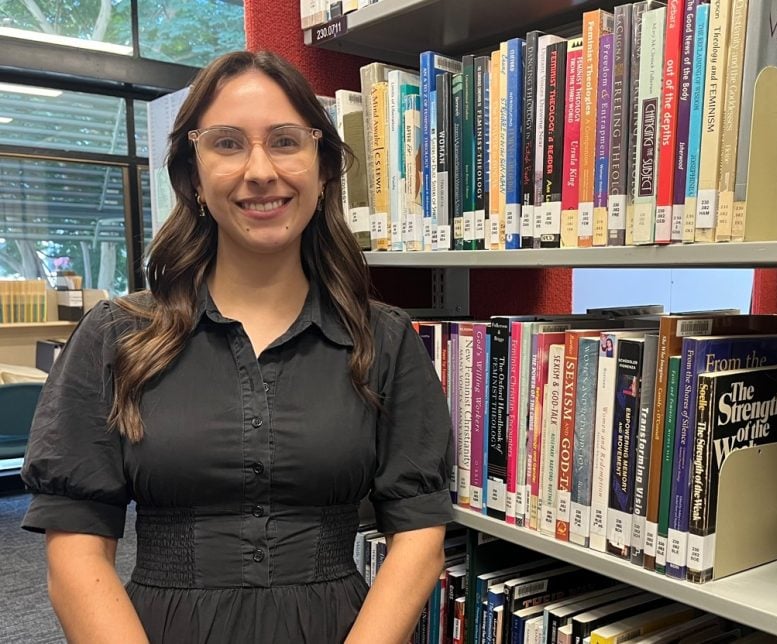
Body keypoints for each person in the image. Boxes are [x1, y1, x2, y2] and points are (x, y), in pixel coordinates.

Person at [20, 50, 453, 643]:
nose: (259, 170)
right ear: (193, 174)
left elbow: (419, 535)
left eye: (285, 141)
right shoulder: (115, 336)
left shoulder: (386, 339)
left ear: (323, 168)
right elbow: (74, 550)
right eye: (226, 143)